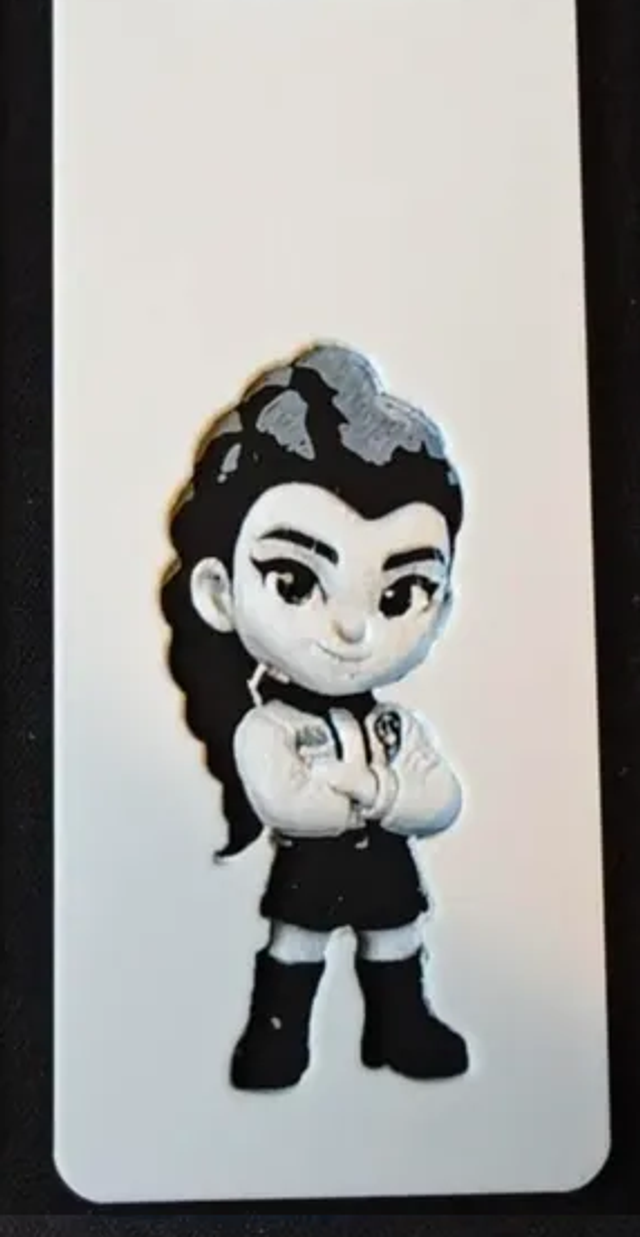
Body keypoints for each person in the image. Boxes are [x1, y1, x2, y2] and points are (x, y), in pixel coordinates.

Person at [161, 343, 468, 1090]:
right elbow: (284, 801)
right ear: (218, 592)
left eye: (400, 595)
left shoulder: (395, 727)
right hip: (313, 862)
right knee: (296, 941)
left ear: (441, 608)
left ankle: (400, 1026)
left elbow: (441, 795)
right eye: (296, 582)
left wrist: (382, 793)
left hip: (385, 857)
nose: (354, 629)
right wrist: (364, 796)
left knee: (396, 935)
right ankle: (278, 1035)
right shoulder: (267, 725)